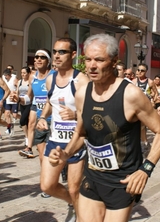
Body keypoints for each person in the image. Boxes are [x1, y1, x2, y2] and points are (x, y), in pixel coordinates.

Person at [48, 33, 160, 221]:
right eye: (88, 59)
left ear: (114, 62)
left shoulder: (131, 95)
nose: (92, 65)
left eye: (99, 59)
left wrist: (145, 169)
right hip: (93, 175)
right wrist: (66, 153)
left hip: (122, 181)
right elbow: (81, 133)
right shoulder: (82, 94)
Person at [36, 38, 89, 221]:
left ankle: (80, 213)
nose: (56, 56)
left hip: (76, 142)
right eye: (55, 51)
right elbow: (51, 103)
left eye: (62, 52)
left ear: (73, 54)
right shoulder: (50, 78)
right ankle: (75, 204)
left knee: (74, 188)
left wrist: (75, 115)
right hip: (56, 141)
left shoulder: (81, 80)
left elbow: (91, 112)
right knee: (47, 186)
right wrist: (42, 117)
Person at [14, 50, 54, 159]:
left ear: (48, 61)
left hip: (53, 119)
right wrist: (19, 99)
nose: (38, 59)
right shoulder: (33, 77)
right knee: (42, 156)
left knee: (52, 155)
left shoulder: (54, 75)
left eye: (42, 57)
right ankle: (29, 148)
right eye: (36, 57)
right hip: (41, 118)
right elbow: (29, 98)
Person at [133, 63, 158, 157]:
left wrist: (153, 101)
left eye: (142, 70)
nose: (139, 72)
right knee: (138, 127)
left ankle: (144, 144)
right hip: (136, 107)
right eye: (138, 70)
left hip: (145, 108)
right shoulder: (134, 81)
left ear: (146, 72)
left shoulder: (150, 82)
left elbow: (155, 92)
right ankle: (144, 143)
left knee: (142, 126)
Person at [16, 66, 32, 149]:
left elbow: (31, 94)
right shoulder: (20, 82)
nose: (23, 74)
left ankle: (29, 138)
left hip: (29, 103)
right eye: (21, 73)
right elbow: (17, 92)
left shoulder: (31, 82)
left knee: (23, 120)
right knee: (24, 121)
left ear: (29, 73)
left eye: (24, 73)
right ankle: (27, 137)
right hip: (21, 104)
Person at [2, 69, 18, 136]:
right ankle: (9, 128)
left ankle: (23, 119)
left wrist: (16, 93)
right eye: (4, 76)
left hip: (14, 99)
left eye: (6, 76)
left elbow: (18, 87)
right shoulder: (4, 79)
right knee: (7, 114)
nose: (5, 77)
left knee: (14, 115)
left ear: (9, 75)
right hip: (8, 99)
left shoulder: (14, 78)